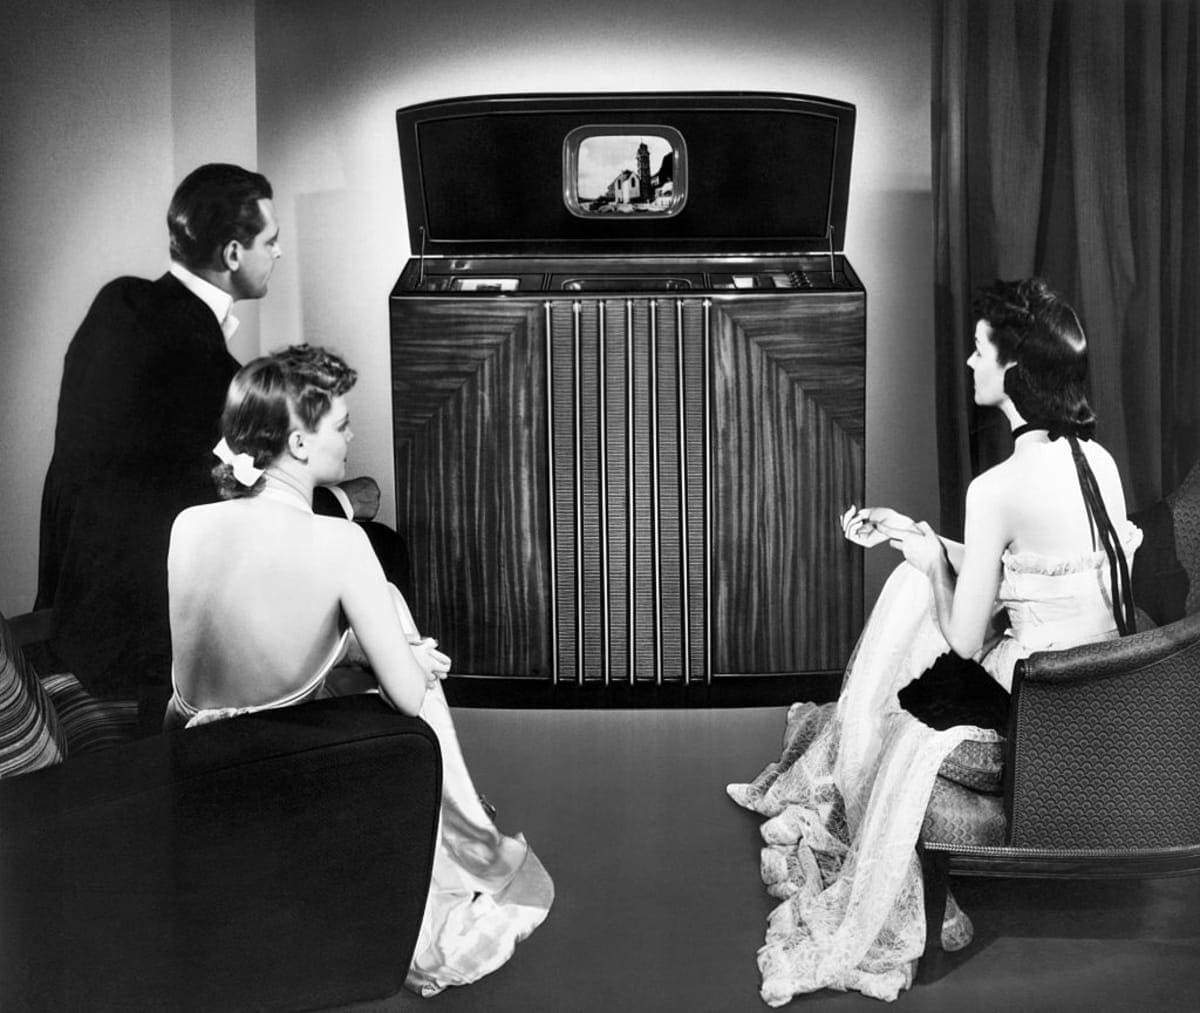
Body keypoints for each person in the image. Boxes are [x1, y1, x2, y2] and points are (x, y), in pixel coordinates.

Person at [727, 278, 1140, 1003]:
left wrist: (926, 562)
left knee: (915, 597)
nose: (971, 363)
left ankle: (859, 754)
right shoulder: (1093, 459)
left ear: (1014, 370)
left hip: (1034, 718)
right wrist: (917, 535)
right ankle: (859, 733)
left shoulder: (998, 487)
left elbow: (964, 634)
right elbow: (1027, 569)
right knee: (917, 574)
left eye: (980, 350)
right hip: (1100, 693)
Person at [164, 344, 553, 996]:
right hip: (275, 769)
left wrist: (355, 649)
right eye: (341, 425)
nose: (350, 437)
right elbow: (406, 699)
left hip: (188, 761)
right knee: (402, 640)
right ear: (298, 442)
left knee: (379, 632)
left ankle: (461, 824)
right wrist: (401, 655)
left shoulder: (188, 523)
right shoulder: (339, 540)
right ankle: (467, 839)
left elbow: (257, 637)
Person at [36, 163, 400, 734]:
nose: (279, 252)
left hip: (73, 606)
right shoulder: (206, 367)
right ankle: (383, 727)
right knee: (381, 550)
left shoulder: (119, 303)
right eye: (270, 241)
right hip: (145, 635)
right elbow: (241, 502)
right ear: (233, 254)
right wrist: (345, 504)